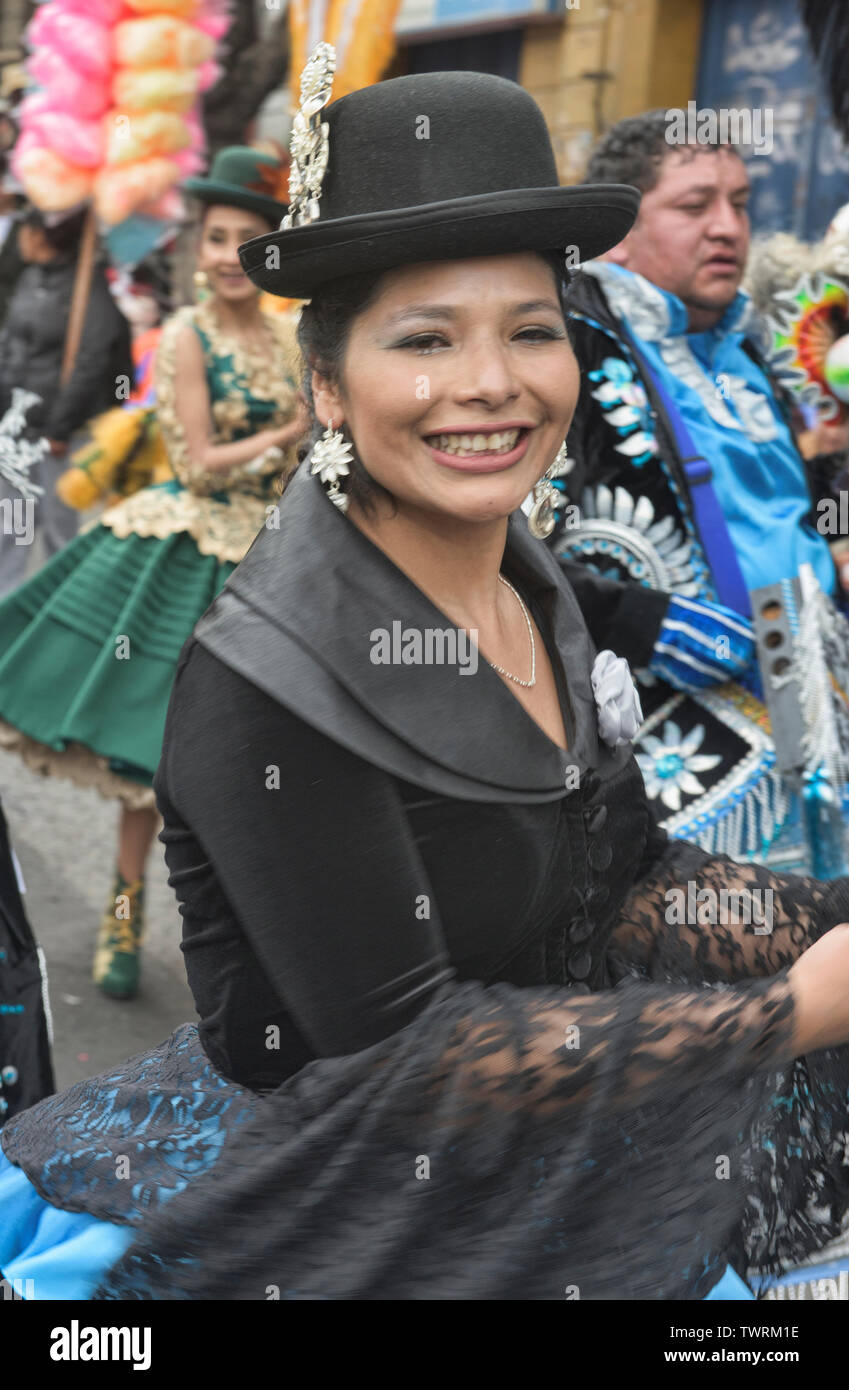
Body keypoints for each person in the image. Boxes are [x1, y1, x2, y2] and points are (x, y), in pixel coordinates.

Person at [3, 55, 849, 1303]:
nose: (490, 383)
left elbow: (615, 878)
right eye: (425, 340)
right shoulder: (267, 678)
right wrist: (788, 1013)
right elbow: (402, 1059)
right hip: (335, 1209)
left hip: (526, 1146)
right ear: (329, 387)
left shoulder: (523, 571)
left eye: (529, 331)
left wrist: (820, 920)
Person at [0, 147, 308, 1001]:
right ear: (196, 247)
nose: (226, 254)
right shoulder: (182, 335)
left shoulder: (290, 337)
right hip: (188, 550)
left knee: (270, 764)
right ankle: (123, 918)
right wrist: (295, 435)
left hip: (276, 558)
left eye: (246, 239)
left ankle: (252, 936)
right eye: (214, 236)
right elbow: (203, 463)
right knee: (152, 758)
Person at [550, 110, 849, 871]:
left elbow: (786, 510)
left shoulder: (744, 344)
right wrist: (640, 620)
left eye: (740, 203)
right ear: (617, 224)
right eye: (693, 205)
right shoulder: (568, 339)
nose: (727, 228)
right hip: (667, 728)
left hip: (811, 689)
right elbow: (506, 547)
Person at [0, 205, 133, 594]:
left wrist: (60, 426)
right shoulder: (28, 278)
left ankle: (60, 619)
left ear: (42, 236)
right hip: (17, 429)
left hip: (60, 436)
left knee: (60, 534)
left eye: (26, 230)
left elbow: (91, 364)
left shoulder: (88, 290)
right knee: (14, 529)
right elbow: (9, 342)